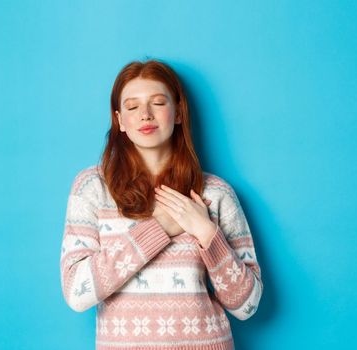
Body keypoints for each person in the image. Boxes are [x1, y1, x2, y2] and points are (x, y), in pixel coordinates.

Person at [59, 59, 263, 350]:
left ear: (178, 112)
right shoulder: (91, 188)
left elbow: (247, 305)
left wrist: (207, 234)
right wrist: (162, 227)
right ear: (119, 120)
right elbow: (77, 293)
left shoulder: (216, 193)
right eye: (132, 107)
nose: (145, 115)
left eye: (157, 103)